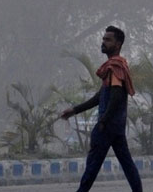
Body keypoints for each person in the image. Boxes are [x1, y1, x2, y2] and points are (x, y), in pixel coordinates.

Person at [60, 25, 143, 192]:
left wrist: (103, 121)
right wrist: (75, 110)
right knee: (127, 165)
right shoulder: (114, 67)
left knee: (92, 166)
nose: (103, 42)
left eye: (108, 40)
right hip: (116, 127)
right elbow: (101, 97)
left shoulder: (115, 67)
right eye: (103, 39)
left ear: (118, 44)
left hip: (107, 127)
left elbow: (116, 97)